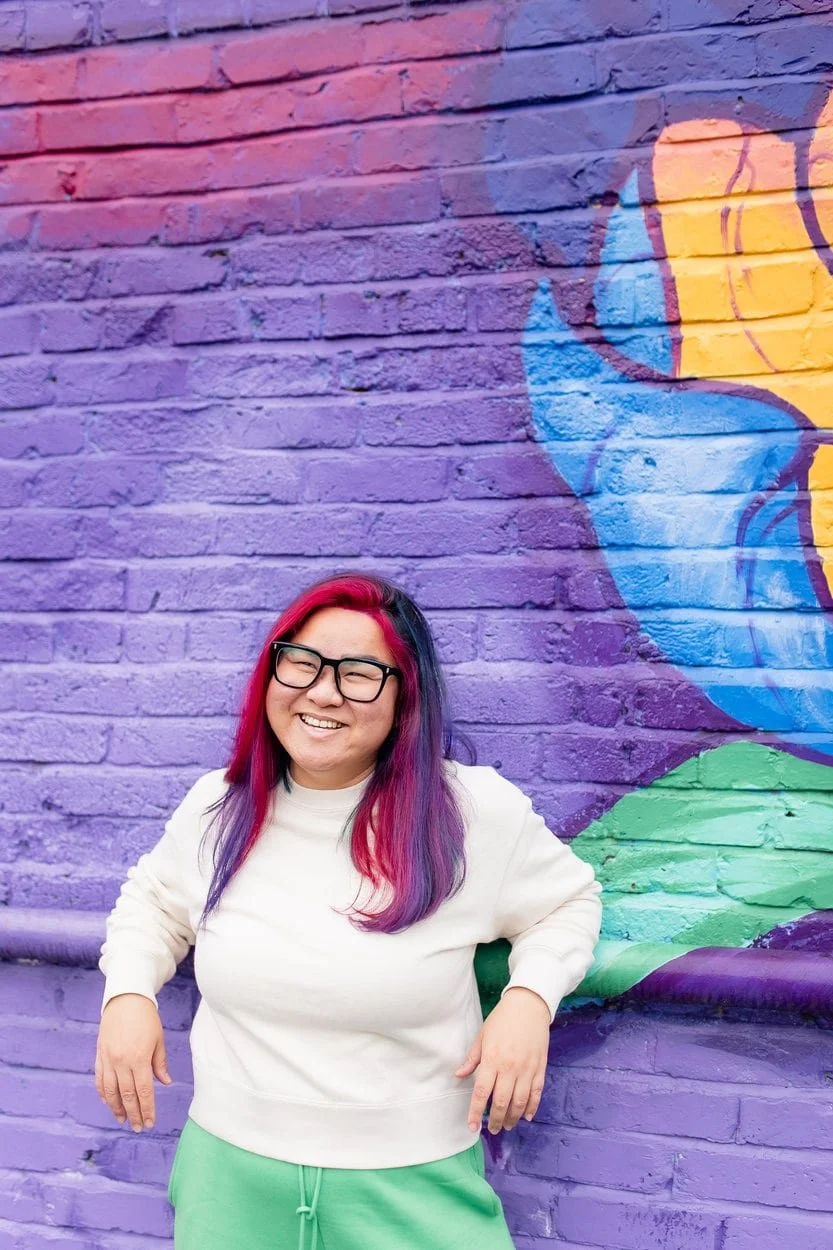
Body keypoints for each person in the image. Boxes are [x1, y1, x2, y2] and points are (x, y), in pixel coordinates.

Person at [95, 570, 603, 1250]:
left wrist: (527, 1000)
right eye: (300, 663)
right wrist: (127, 993)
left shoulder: (471, 812)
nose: (322, 692)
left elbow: (566, 903)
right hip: (230, 1182)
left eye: (359, 673)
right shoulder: (219, 807)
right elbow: (153, 902)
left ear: (405, 695)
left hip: (410, 1189)